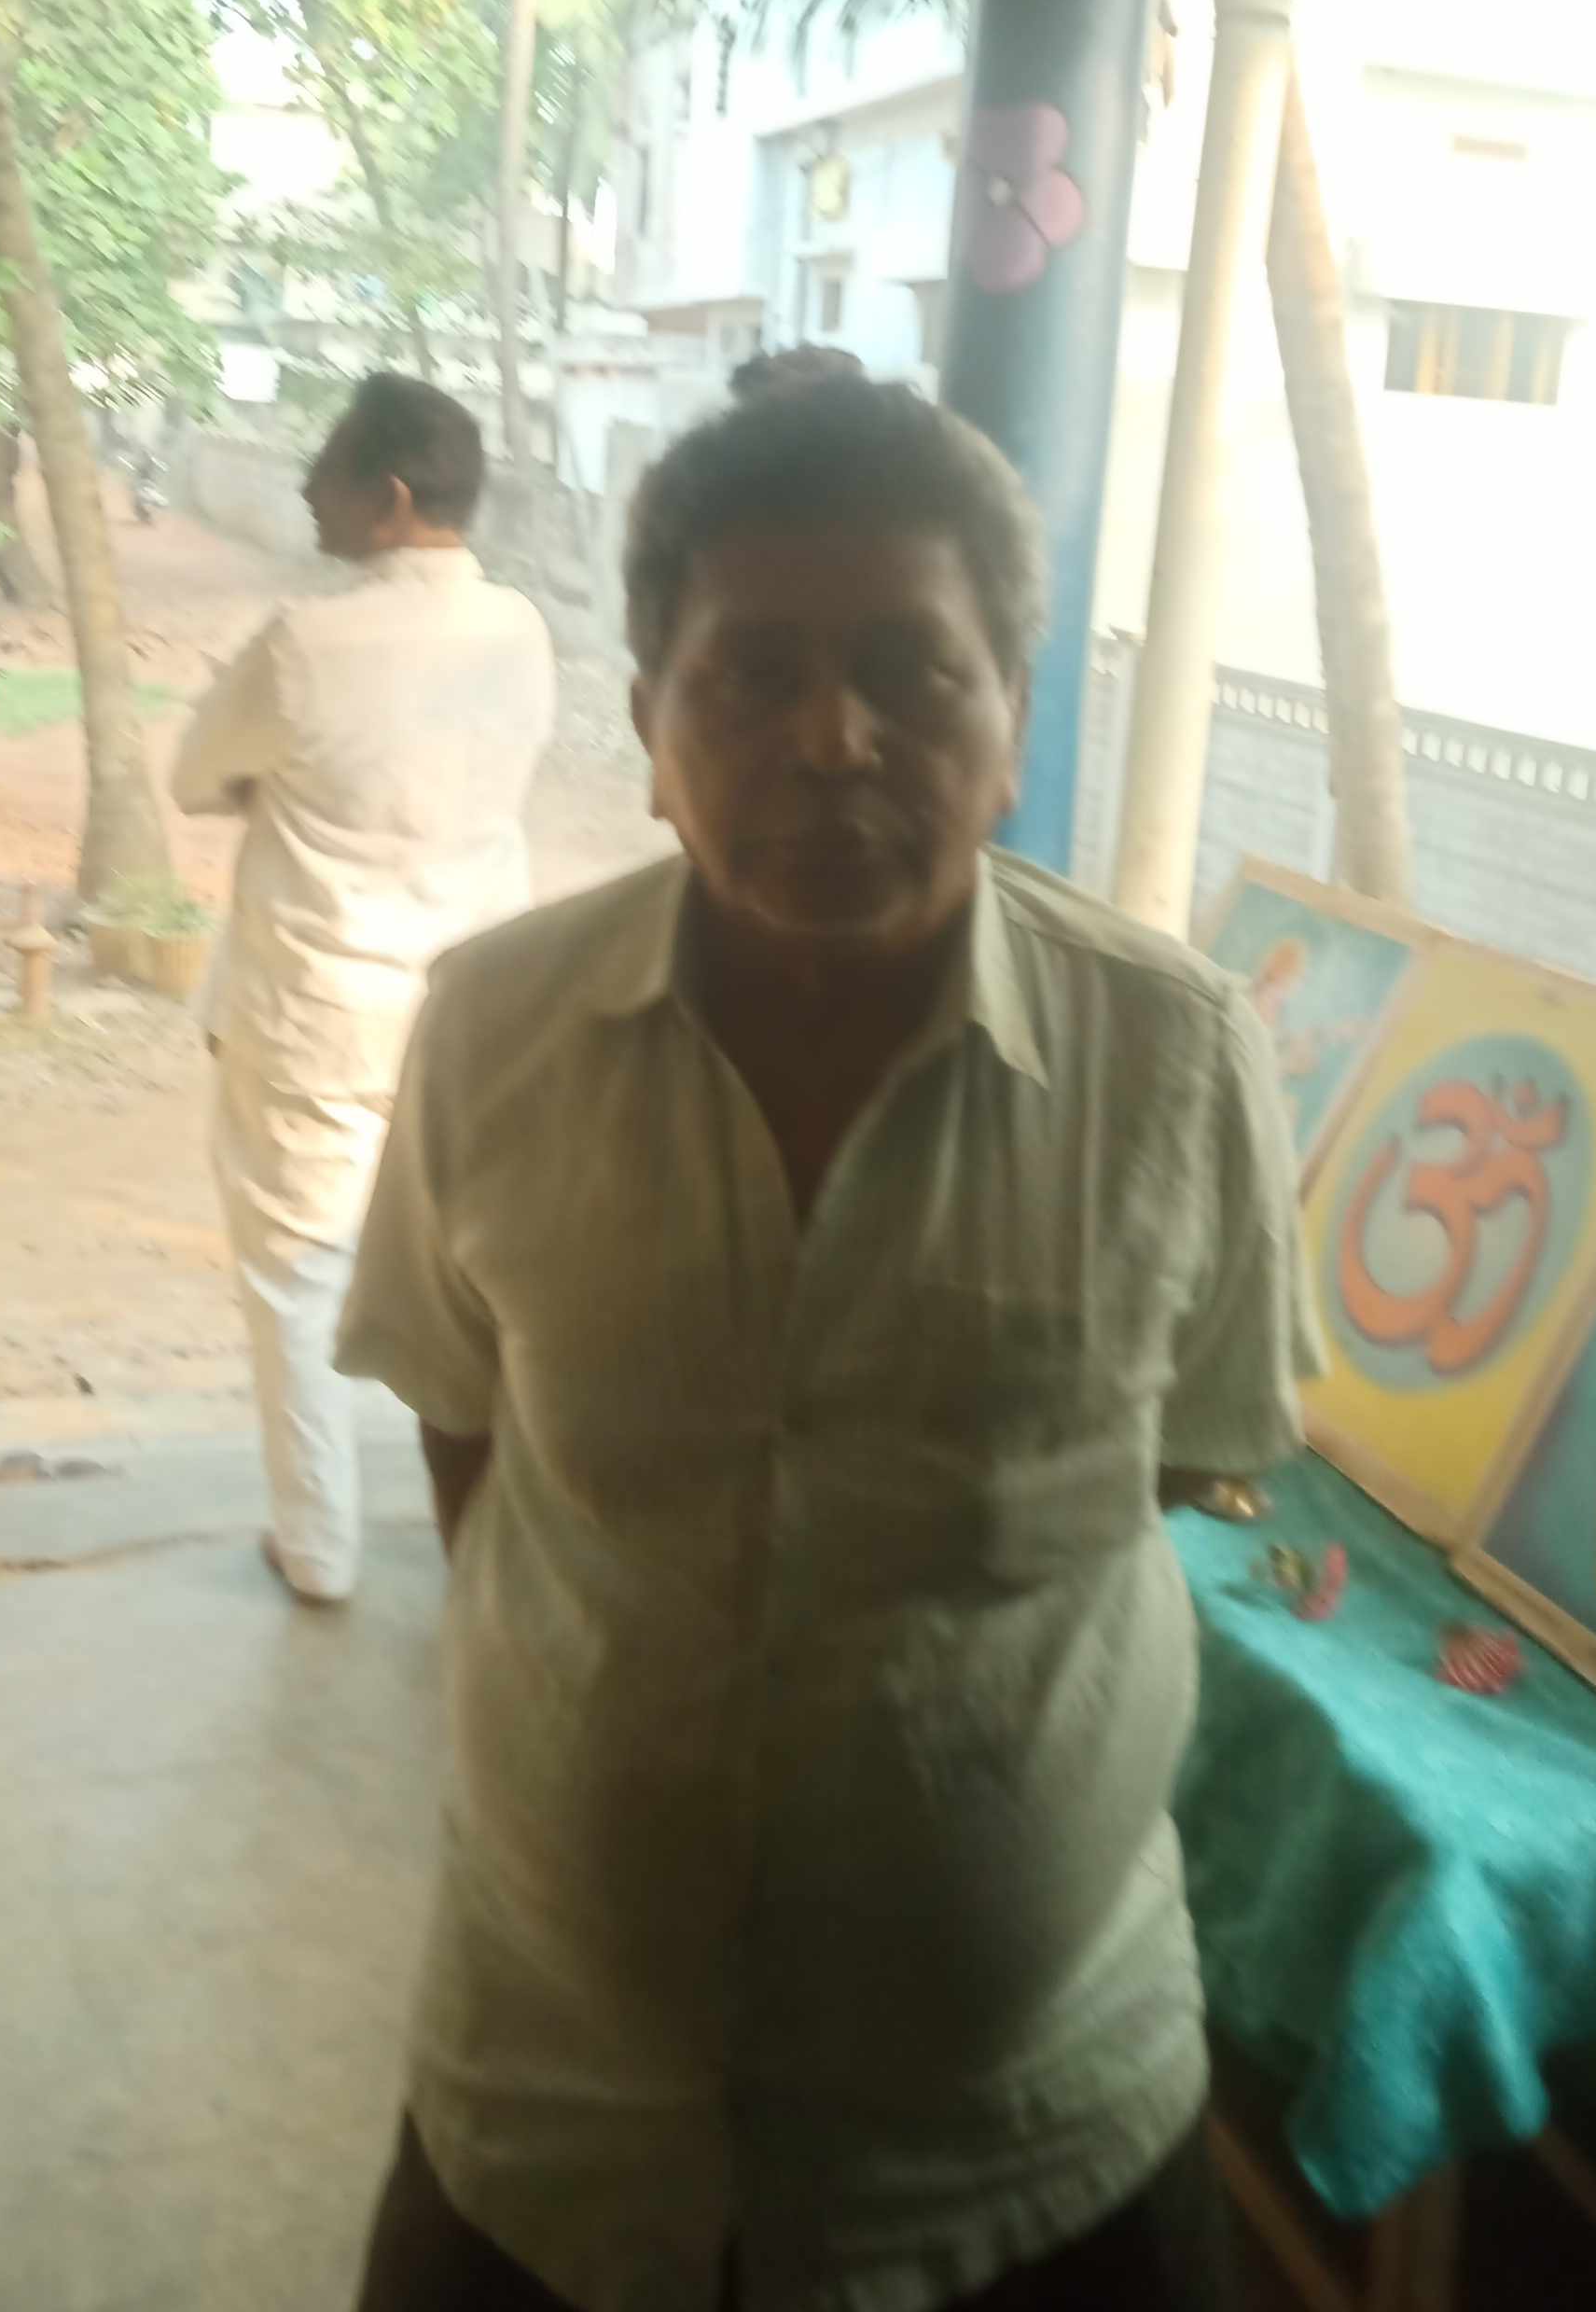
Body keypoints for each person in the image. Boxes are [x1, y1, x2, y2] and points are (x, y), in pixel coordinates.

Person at [338, 369, 1318, 2310]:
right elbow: (470, 1433)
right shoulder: (490, 1035)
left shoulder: (1177, 1064)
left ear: (1012, 717)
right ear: (650, 728)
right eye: (753, 675)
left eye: (909, 671)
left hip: (1040, 2163)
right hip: (553, 2128)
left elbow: (1183, 1463)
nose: (832, 738)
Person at [173, 374, 553, 1606]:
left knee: (297, 1277)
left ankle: (320, 1547)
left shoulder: (303, 644)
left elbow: (194, 777)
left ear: (389, 497)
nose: (305, 485)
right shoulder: (521, 633)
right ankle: (495, 1540)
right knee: (473, 1281)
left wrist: (275, 787)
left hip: (315, 1020)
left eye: (327, 465)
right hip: (471, 1015)